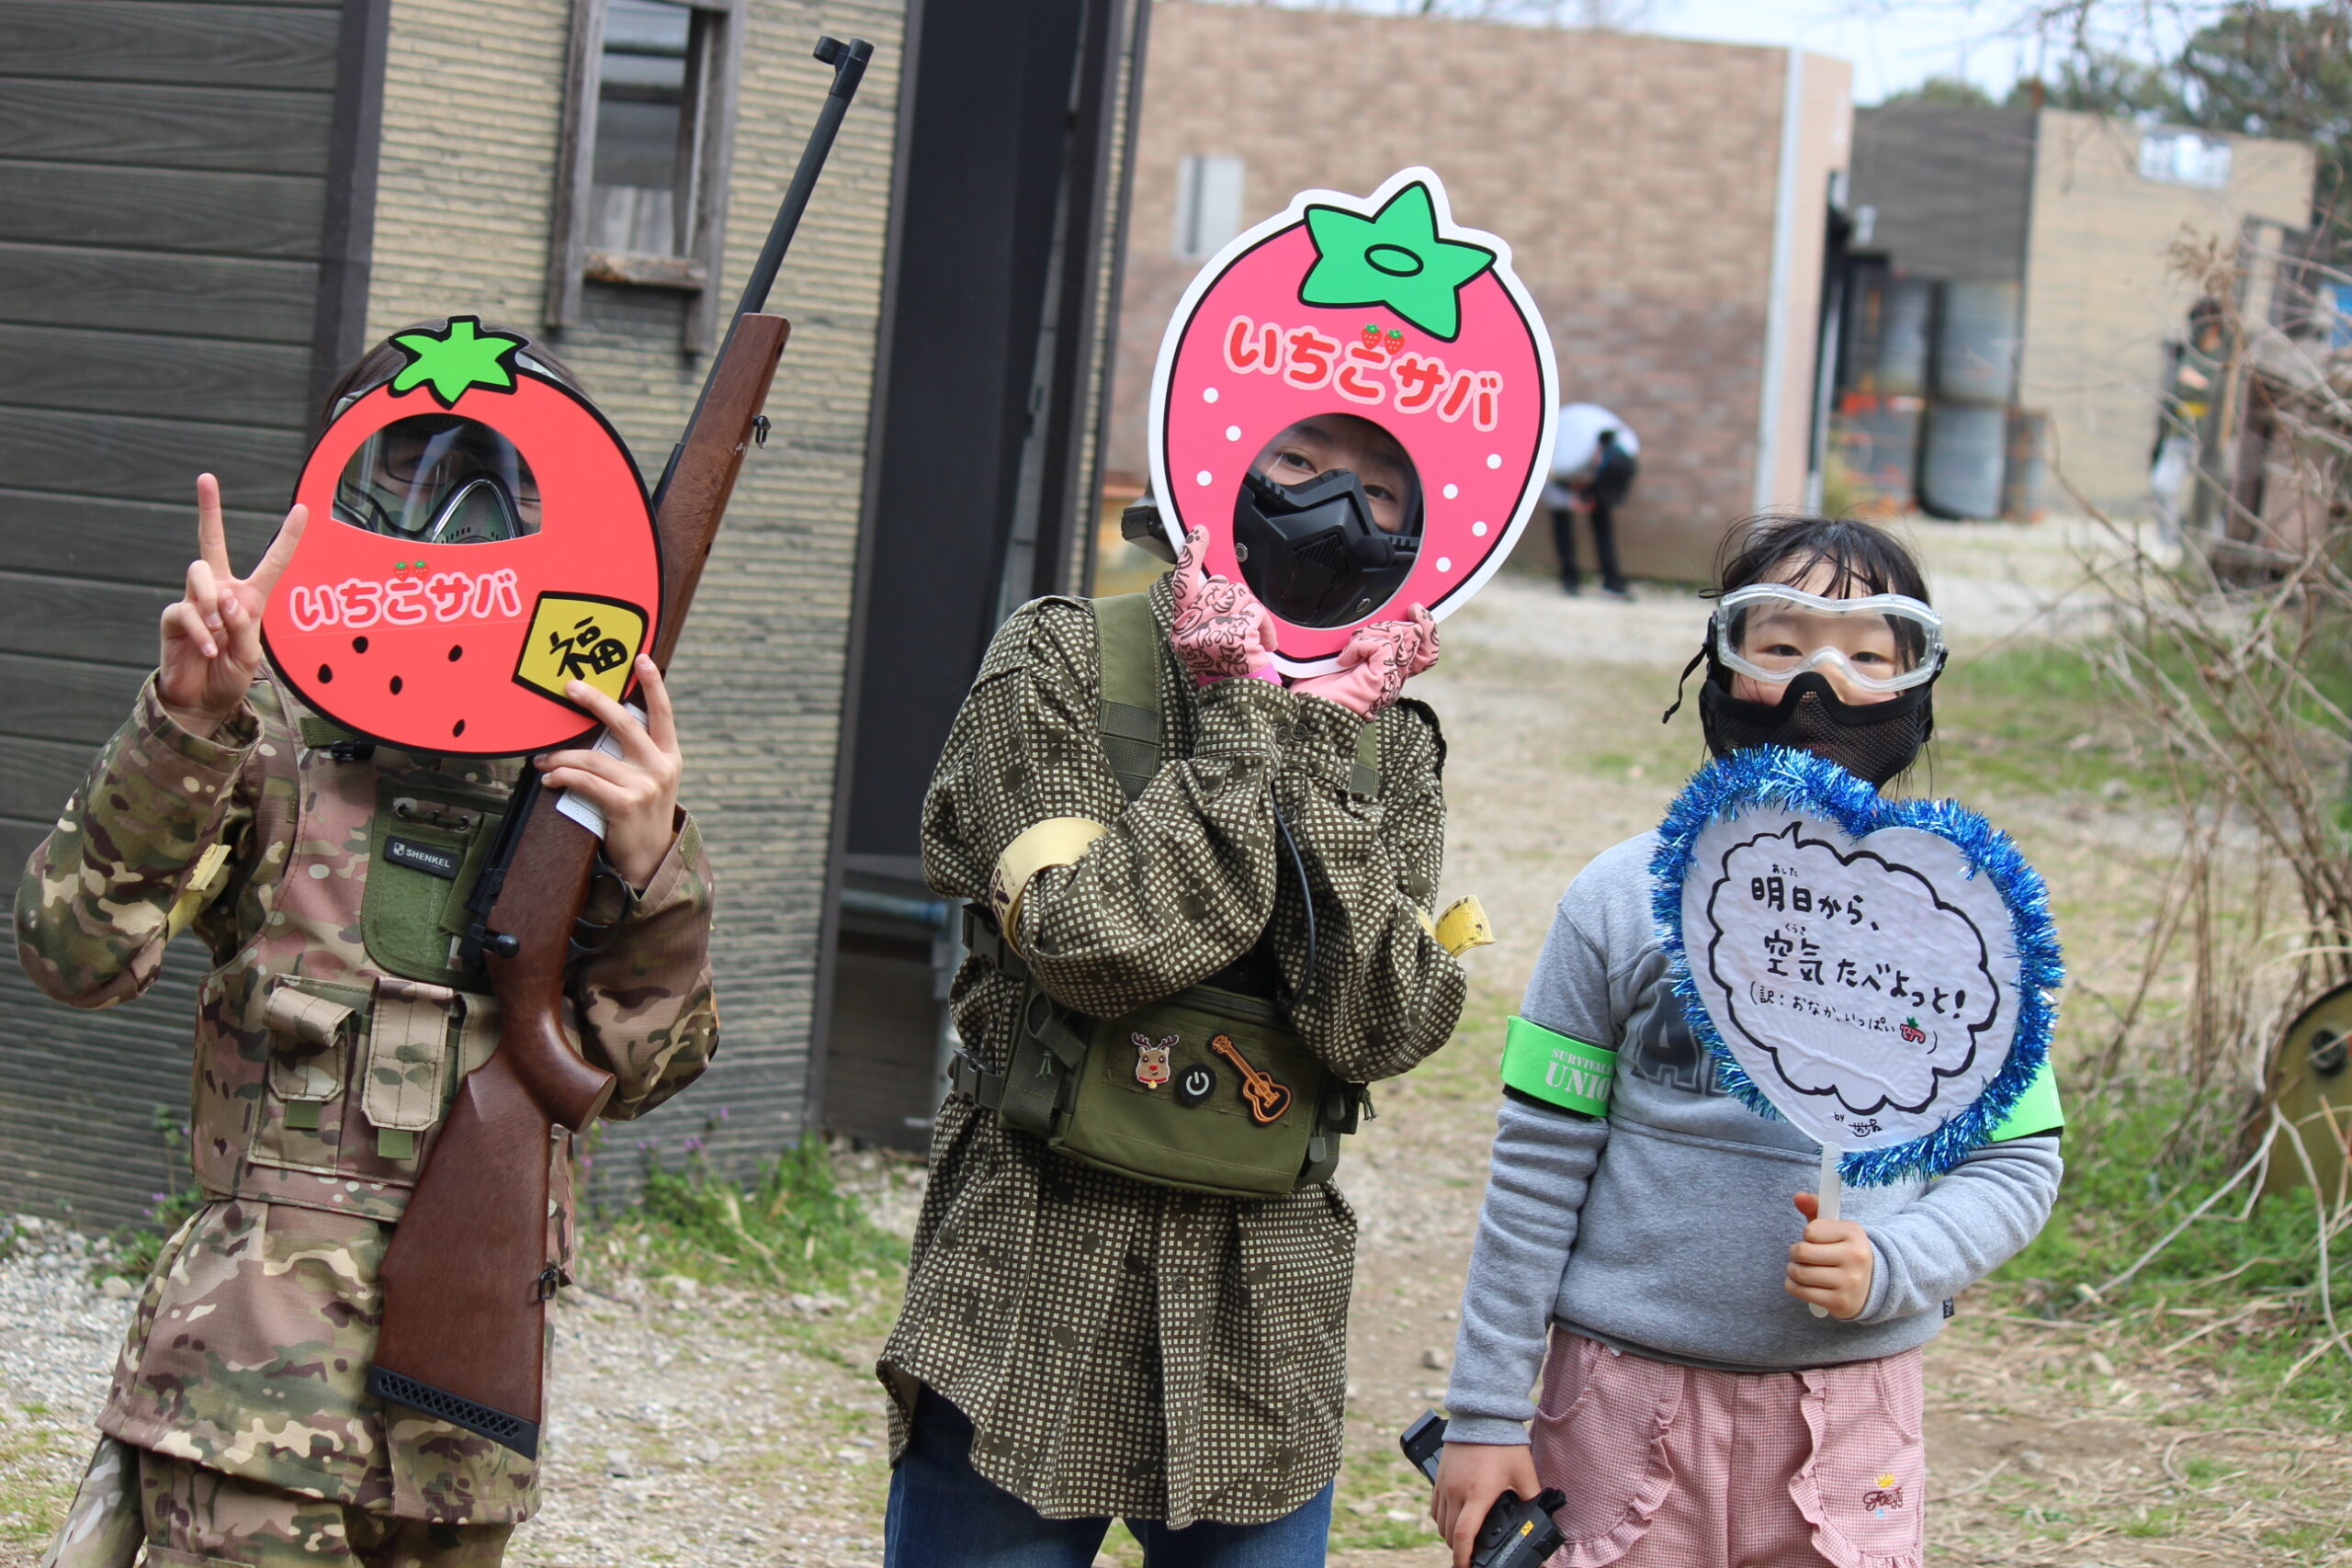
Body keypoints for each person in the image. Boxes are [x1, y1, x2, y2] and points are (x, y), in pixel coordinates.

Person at [20, 323, 718, 1568]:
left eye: (498, 485)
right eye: (414, 474)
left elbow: (643, 1067)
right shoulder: (266, 742)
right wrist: (184, 725)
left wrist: (652, 865)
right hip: (242, 1405)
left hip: (460, 1425)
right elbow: (74, 952)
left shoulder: (584, 782)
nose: (458, 528)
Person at [880, 411, 1467, 1565]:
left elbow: (1383, 1023)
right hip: (1030, 1255)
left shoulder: (1390, 737)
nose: (1333, 508)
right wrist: (1250, 731)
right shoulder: (1061, 657)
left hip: (1263, 1294)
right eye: (1297, 460)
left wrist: (1323, 741)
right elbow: (1090, 946)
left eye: (1380, 489)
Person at [1429, 514, 2063, 1568]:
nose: (1821, 681)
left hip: (1846, 1416)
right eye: (1780, 644)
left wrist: (1895, 1263)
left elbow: (2019, 1160)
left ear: (1915, 688)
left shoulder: (1960, 928)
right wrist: (1486, 1413)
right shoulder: (1617, 900)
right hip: (1616, 1399)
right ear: (1719, 666)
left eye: (1867, 655)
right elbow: (1537, 1162)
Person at [1545, 403, 1639, 599]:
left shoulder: (1629, 445)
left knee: (1602, 514)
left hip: (1588, 451)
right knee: (1561, 518)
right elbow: (1544, 486)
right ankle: (1569, 579)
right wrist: (1568, 500)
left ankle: (1611, 580)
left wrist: (1596, 494)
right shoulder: (1566, 460)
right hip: (1563, 453)